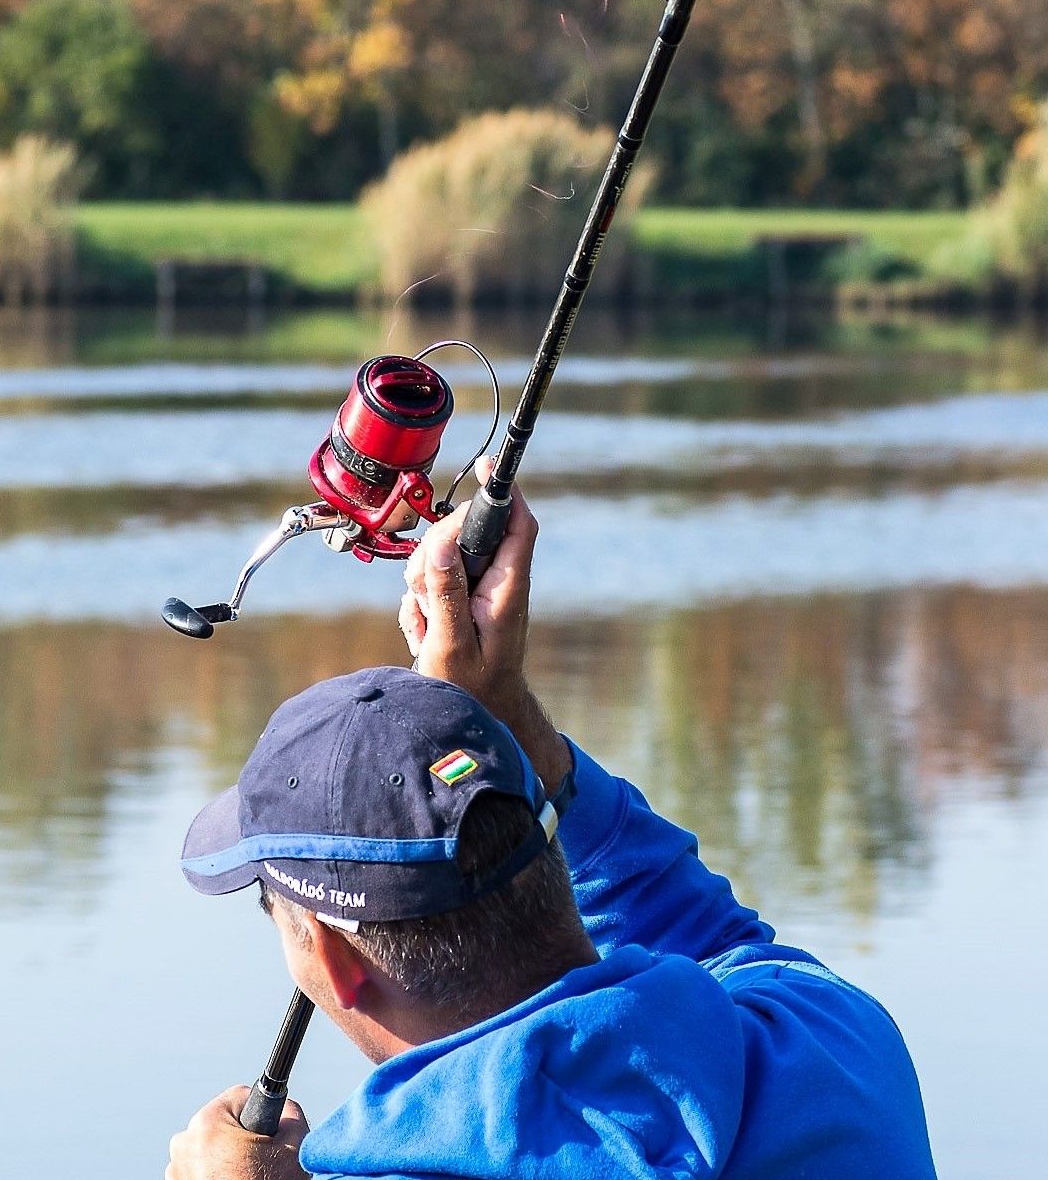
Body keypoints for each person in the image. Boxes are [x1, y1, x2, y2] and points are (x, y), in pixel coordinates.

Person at [166, 482, 936, 1180]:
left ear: (337, 964)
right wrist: (502, 710)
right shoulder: (832, 1046)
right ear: (541, 862)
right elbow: (694, 925)